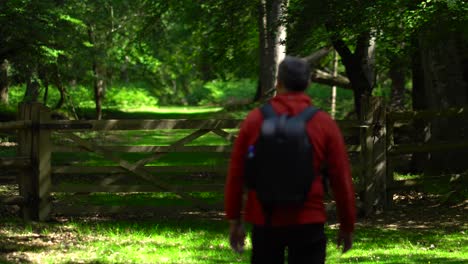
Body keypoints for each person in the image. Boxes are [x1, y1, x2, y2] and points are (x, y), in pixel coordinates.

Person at [224, 56, 356, 264]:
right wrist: (347, 225)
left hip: (264, 218)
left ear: (278, 82)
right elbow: (341, 179)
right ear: (308, 83)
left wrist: (234, 220)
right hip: (308, 219)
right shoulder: (323, 123)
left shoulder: (255, 119)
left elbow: (237, 173)